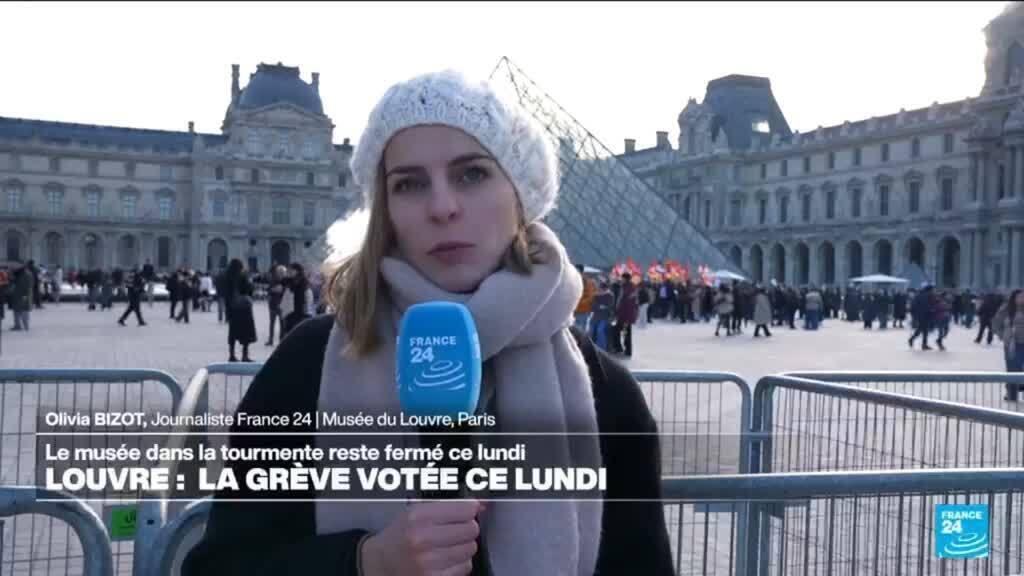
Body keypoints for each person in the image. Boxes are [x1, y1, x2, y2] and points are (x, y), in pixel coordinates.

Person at [182, 69, 673, 576]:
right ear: (386, 210)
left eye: (472, 174)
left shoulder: (607, 393)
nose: (442, 207)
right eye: (409, 184)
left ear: (520, 194)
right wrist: (364, 562)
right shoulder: (305, 365)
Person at [224, 259, 257, 362]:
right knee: (246, 333)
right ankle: (245, 355)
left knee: (233, 332)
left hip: (232, 308)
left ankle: (232, 355)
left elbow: (225, 293)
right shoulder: (243, 276)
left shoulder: (227, 277)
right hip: (244, 309)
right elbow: (249, 290)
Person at [994, 289, 1024, 400]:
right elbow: (996, 323)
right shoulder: (1006, 309)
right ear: (1014, 298)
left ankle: (1019, 385)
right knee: (1012, 369)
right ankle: (1012, 394)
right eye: (1020, 297)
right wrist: (1003, 336)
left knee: (1020, 369)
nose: (1022, 299)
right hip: (1012, 344)